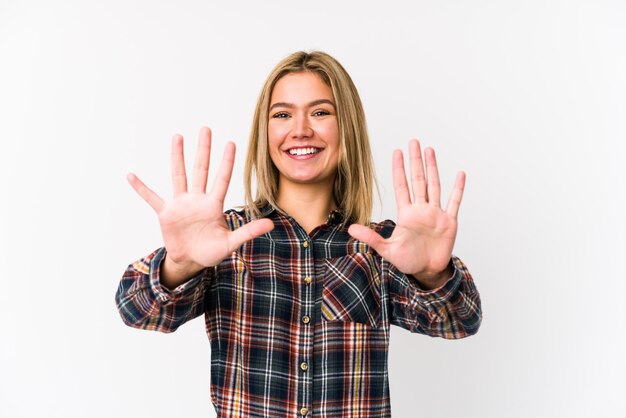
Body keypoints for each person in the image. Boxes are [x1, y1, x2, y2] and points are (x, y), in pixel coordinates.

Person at [116, 51, 482, 418]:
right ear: (266, 131)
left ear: (347, 127)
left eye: (321, 112)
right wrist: (181, 264)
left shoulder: (383, 247)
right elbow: (137, 309)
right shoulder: (225, 239)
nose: (301, 129)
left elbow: (459, 320)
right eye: (282, 114)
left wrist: (432, 273)